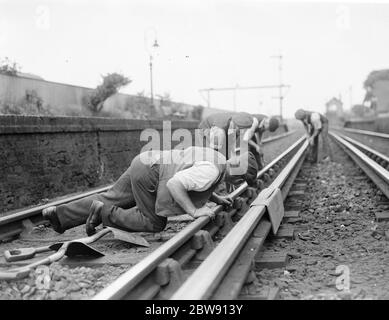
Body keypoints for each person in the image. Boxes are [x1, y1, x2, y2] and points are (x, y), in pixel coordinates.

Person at [43, 146, 258, 236]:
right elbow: (176, 184)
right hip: (151, 173)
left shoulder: (216, 157)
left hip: (145, 161)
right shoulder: (212, 170)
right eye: (239, 180)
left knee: (112, 197)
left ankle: (59, 216)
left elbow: (194, 178)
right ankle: (103, 213)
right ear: (239, 175)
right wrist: (194, 211)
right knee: (154, 222)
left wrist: (215, 196)